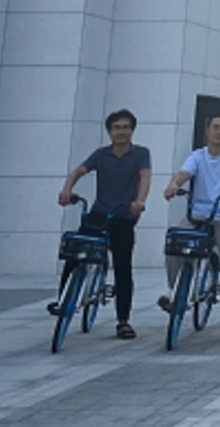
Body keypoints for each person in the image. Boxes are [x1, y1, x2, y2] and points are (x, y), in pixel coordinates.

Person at [58, 109, 151, 339]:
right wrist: (67, 189)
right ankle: (62, 302)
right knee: (74, 254)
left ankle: (123, 321)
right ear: (109, 131)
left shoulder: (141, 154)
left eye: (126, 127)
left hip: (124, 216)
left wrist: (140, 201)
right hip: (99, 213)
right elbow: (79, 171)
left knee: (122, 267)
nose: (121, 132)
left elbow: (145, 176)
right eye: (116, 128)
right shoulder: (101, 155)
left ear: (132, 130)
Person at [158, 112, 220, 338]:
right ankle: (174, 291)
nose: (219, 132)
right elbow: (184, 173)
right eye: (215, 127)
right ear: (207, 130)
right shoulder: (198, 156)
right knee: (174, 245)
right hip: (197, 215)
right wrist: (173, 185)